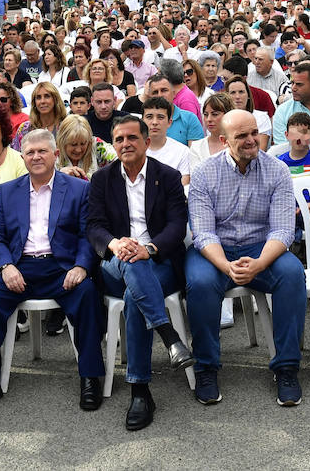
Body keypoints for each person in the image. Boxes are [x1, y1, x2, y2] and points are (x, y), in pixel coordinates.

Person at [0, 129, 105, 417]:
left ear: (55, 155)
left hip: (61, 265)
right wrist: (5, 266)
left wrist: (81, 266)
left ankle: (90, 377)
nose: (36, 156)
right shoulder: (7, 191)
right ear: (22, 157)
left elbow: (86, 234)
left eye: (42, 151)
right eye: (30, 152)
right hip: (20, 265)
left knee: (88, 295)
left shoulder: (78, 188)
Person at [185, 110, 307, 407]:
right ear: (224, 140)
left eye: (254, 132)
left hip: (261, 248)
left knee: (292, 274)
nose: (252, 140)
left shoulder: (276, 170)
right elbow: (202, 233)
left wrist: (260, 263)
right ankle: (206, 367)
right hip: (217, 250)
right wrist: (227, 266)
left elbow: (282, 229)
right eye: (242, 136)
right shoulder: (204, 173)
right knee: (200, 282)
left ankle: (287, 367)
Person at [87, 116, 194, 431]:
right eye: (118, 139)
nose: (125, 144)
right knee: (131, 263)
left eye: (132, 138)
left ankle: (140, 390)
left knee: (136, 295)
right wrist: (115, 243)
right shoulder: (102, 179)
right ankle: (169, 336)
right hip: (114, 263)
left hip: (158, 262)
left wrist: (150, 249)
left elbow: (177, 225)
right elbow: (93, 226)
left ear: (147, 141)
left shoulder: (168, 177)